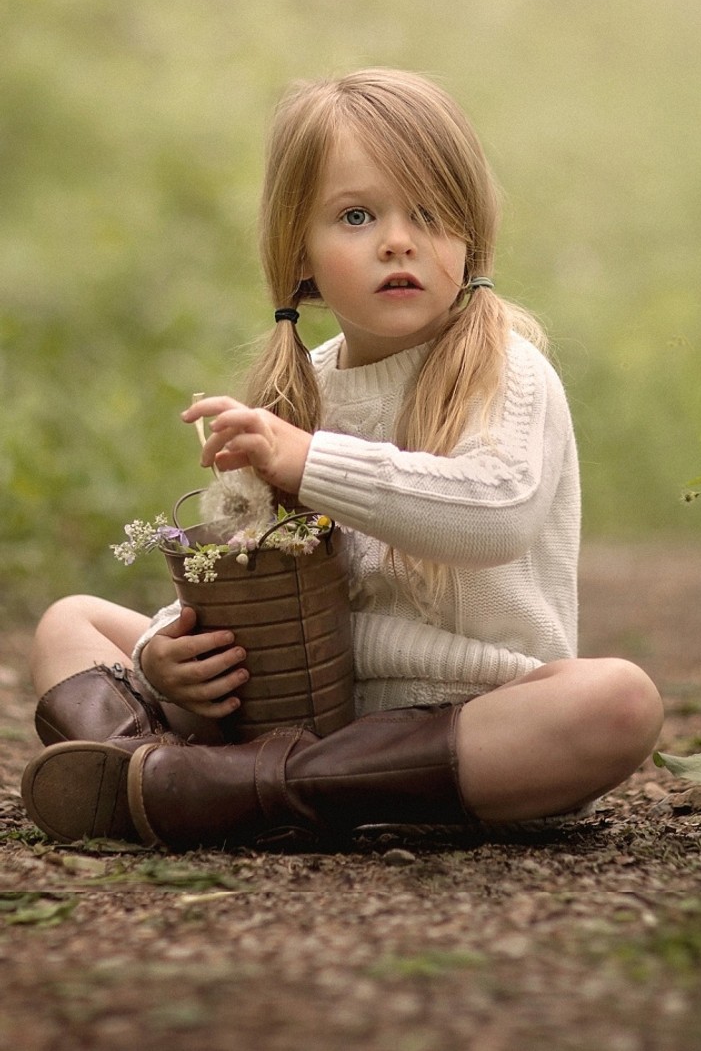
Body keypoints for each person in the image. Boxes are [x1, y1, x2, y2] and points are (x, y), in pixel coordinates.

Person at [21, 68, 663, 849]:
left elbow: (496, 517)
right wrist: (164, 655)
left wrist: (311, 463)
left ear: (470, 235)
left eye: (429, 212)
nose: (399, 238)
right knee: (70, 622)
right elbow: (241, 580)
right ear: (300, 254)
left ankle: (206, 788)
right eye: (357, 215)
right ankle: (172, 782)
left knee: (618, 702)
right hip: (300, 705)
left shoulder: (505, 368)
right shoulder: (296, 395)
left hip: (464, 722)